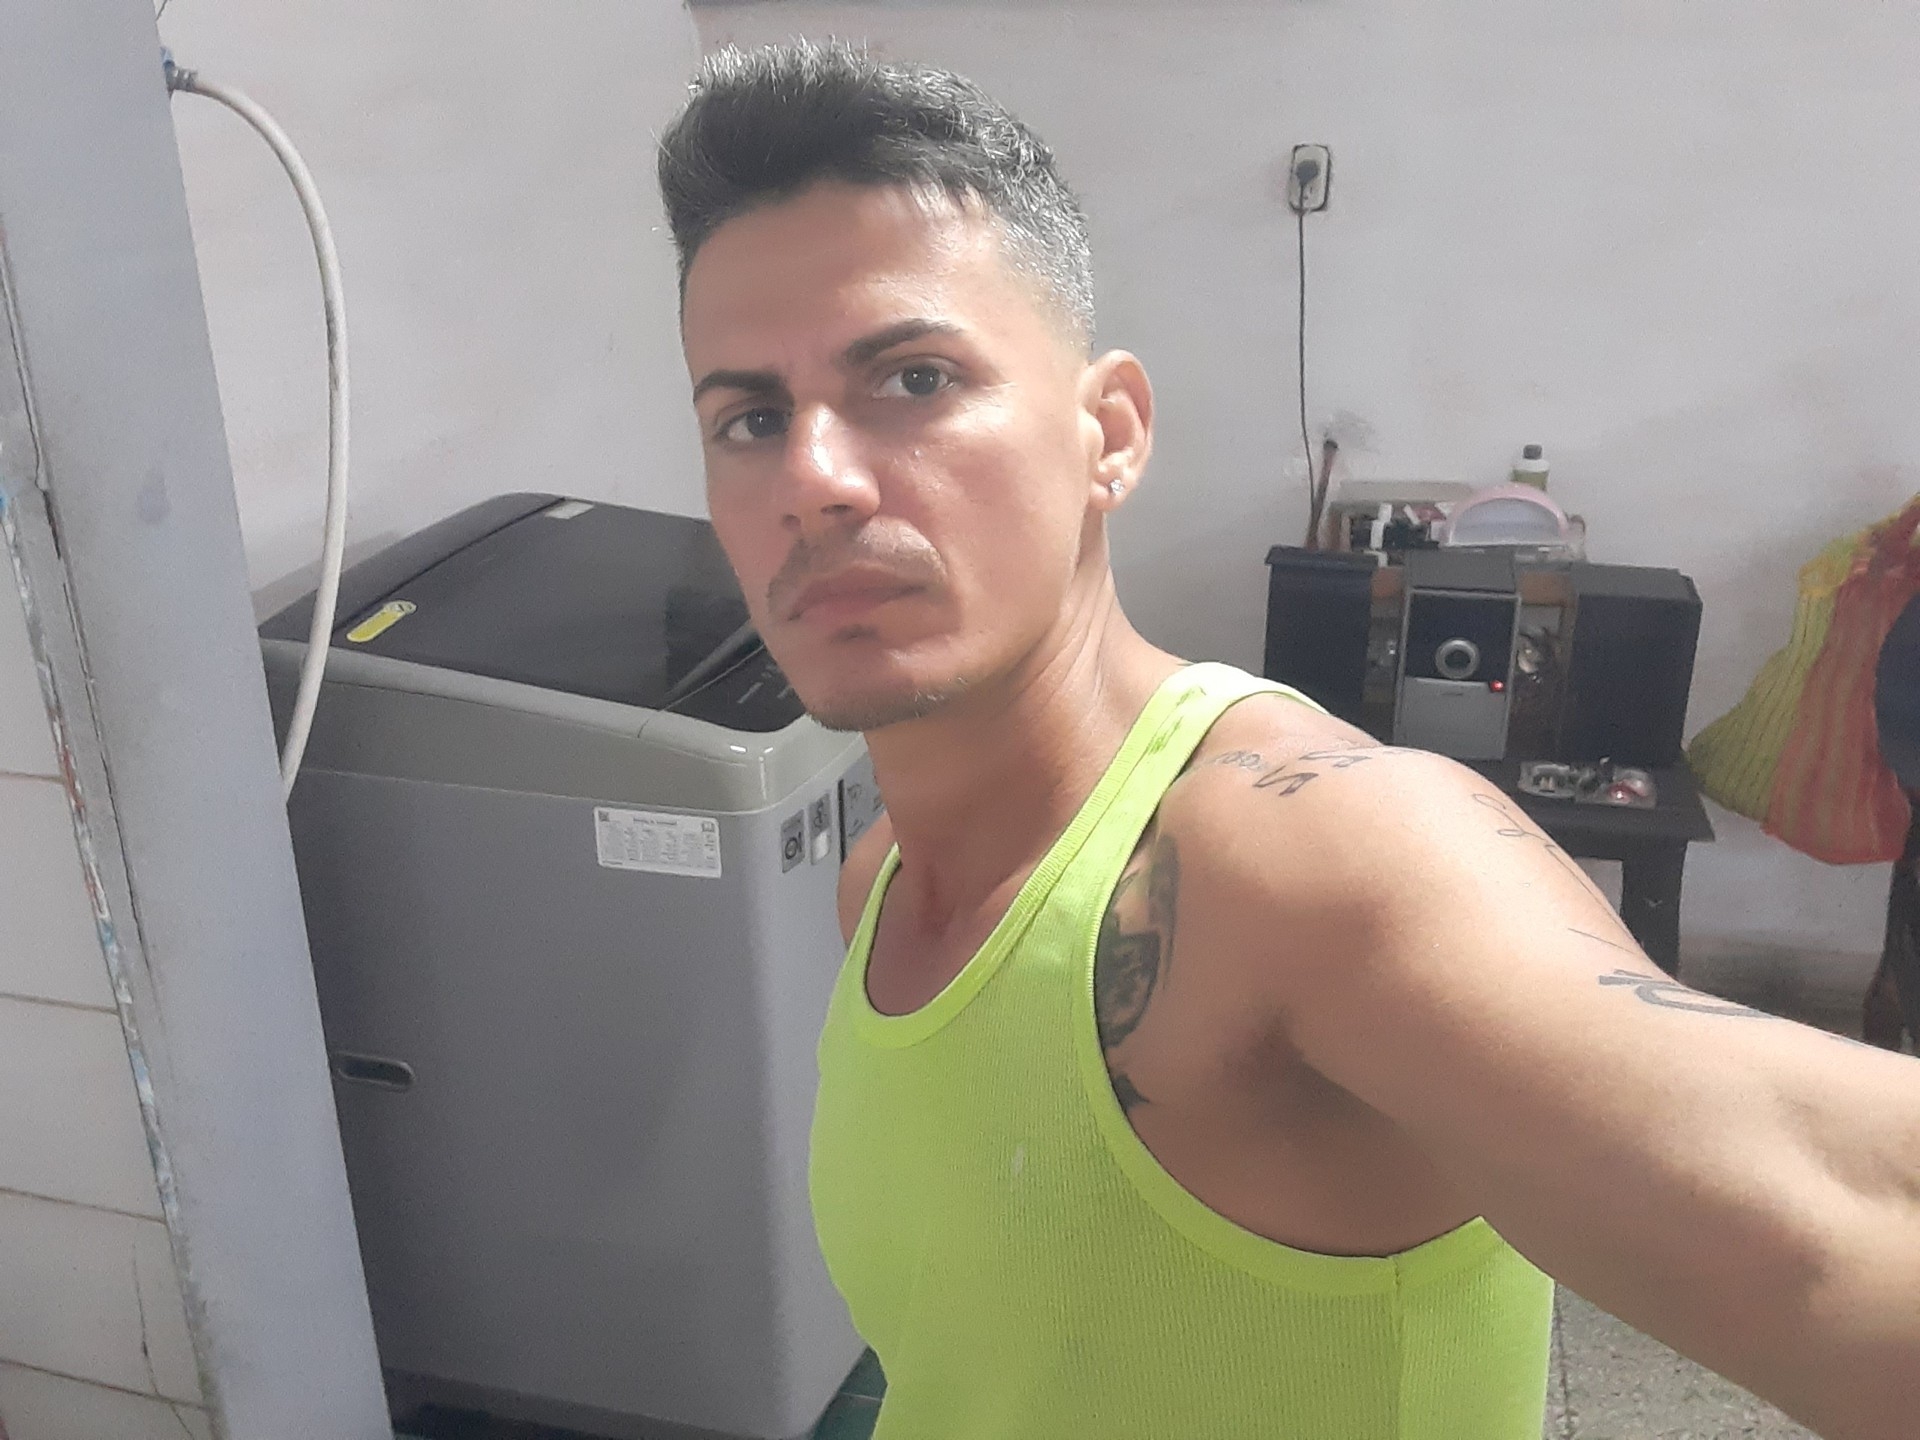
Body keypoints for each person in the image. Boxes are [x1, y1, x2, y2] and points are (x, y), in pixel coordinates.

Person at [658, 42, 1920, 1439]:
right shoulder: (884, 885)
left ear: (1108, 434)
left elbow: (1836, 1229)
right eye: (751, 418)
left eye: (911, 379)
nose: (815, 479)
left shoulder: (1303, 858)